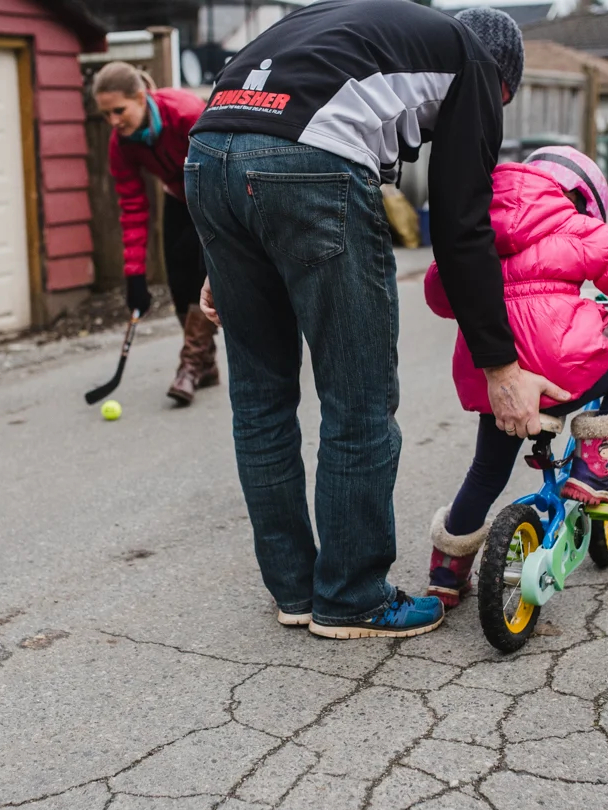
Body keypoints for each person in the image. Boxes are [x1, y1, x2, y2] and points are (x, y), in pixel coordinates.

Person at [186, 0, 551, 639]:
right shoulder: (470, 63)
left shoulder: (347, 31)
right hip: (307, 164)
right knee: (359, 398)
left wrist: (231, 251)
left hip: (210, 156)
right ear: (502, 83)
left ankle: (296, 591)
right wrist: (501, 364)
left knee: (260, 399)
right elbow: (462, 229)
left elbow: (240, 135)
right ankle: (352, 598)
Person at [422, 147, 608, 609]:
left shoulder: (476, 229)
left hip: (495, 382)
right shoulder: (576, 227)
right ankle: (596, 463)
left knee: (486, 472)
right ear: (583, 198)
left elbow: (438, 294)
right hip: (561, 374)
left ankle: (445, 574)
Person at [92, 61, 218, 406]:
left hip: (214, 190)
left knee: (199, 267)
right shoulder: (122, 145)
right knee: (177, 274)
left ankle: (190, 365)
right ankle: (205, 364)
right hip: (177, 195)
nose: (113, 122)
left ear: (140, 97)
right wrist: (135, 277)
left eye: (119, 110)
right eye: (106, 115)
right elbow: (132, 209)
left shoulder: (185, 113)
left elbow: (220, 162)